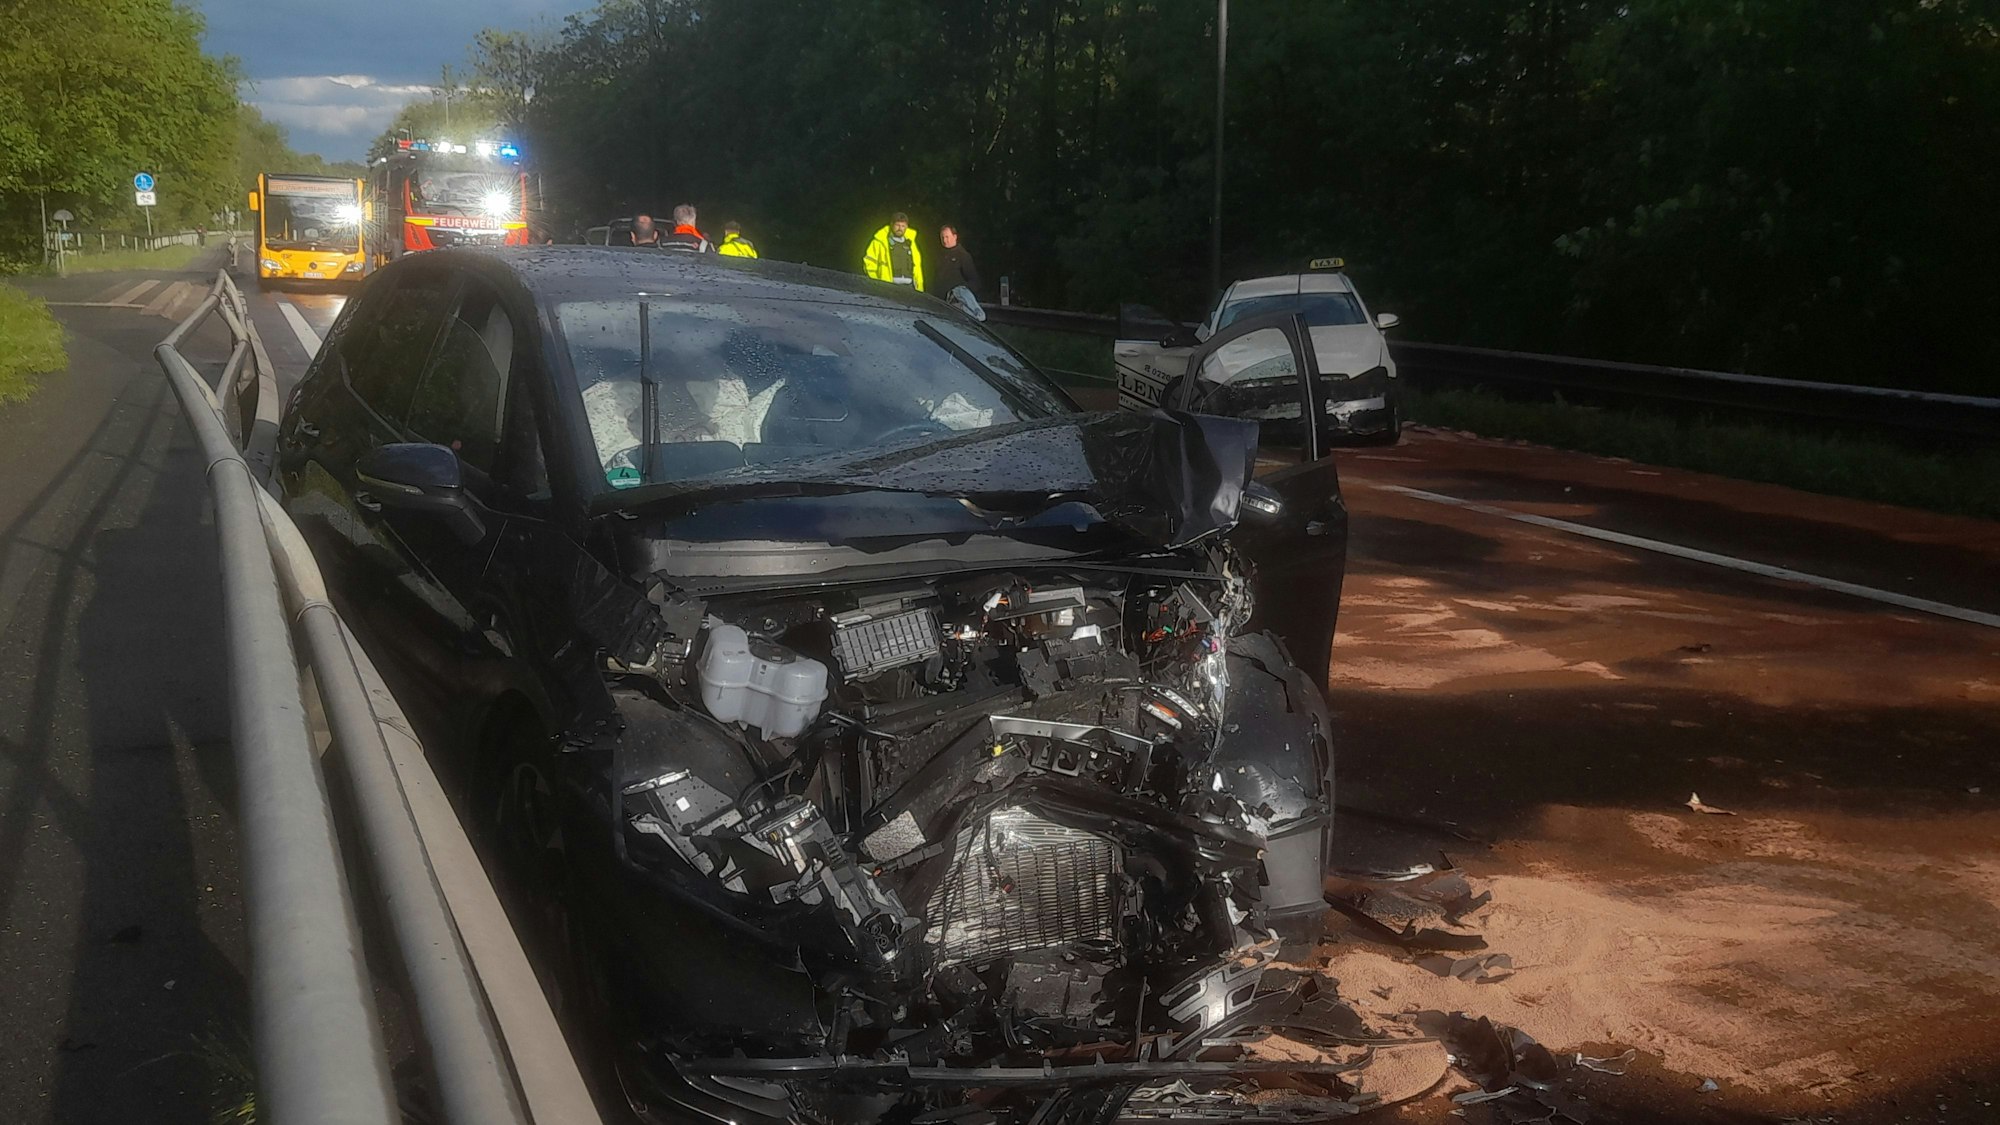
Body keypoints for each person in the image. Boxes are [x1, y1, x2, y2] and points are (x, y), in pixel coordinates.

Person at [863, 212, 923, 290]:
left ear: (906, 227)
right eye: (897, 225)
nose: (900, 228)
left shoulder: (911, 243)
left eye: (903, 226)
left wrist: (919, 288)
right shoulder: (880, 242)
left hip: (910, 287)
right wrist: (877, 283)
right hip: (888, 287)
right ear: (891, 224)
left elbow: (917, 267)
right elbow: (869, 264)